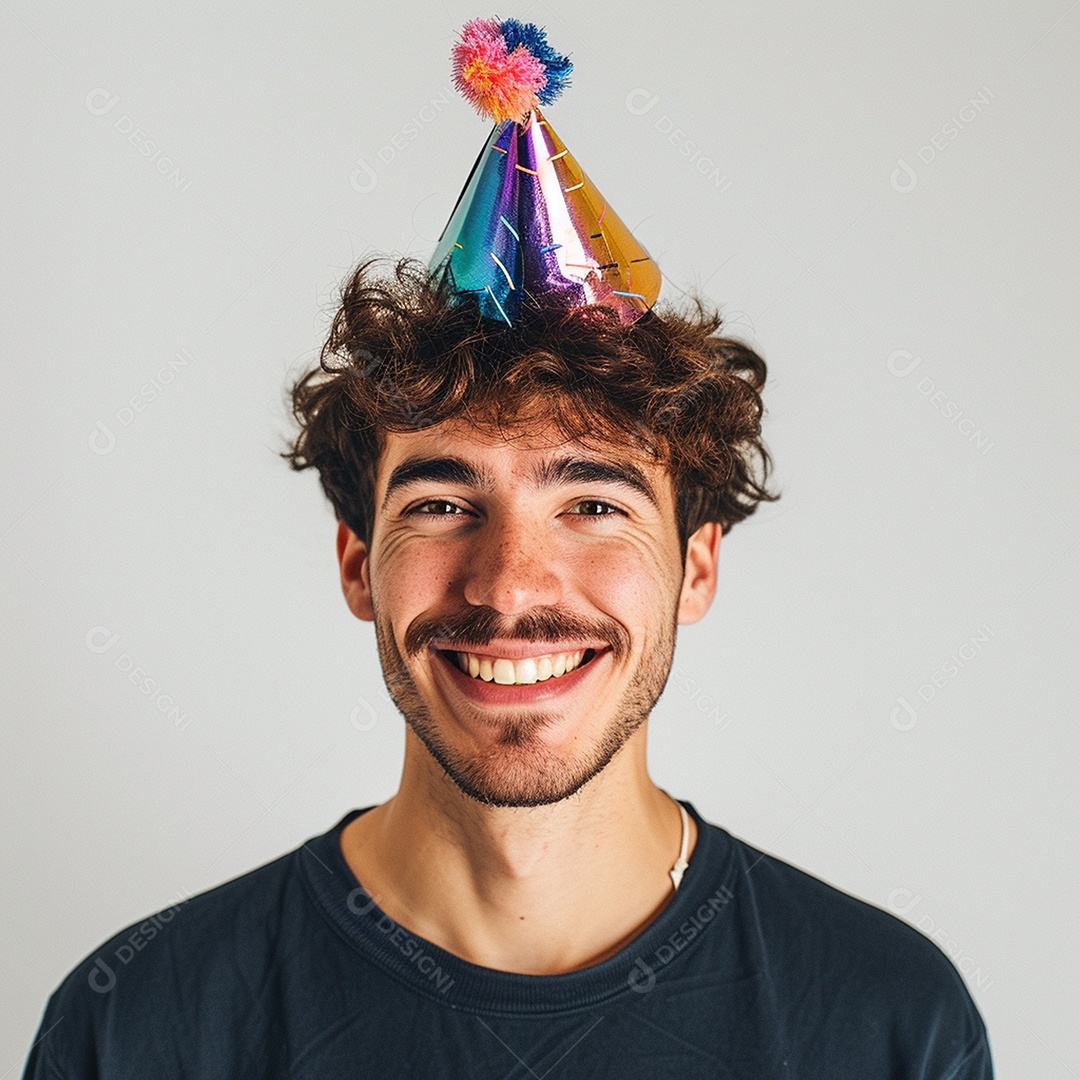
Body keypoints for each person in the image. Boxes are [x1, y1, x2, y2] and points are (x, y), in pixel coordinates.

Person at [21, 17, 992, 1078]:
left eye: (593, 505)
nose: (511, 584)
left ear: (698, 567)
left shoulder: (887, 1021)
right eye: (442, 504)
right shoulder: (142, 1025)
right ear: (357, 565)